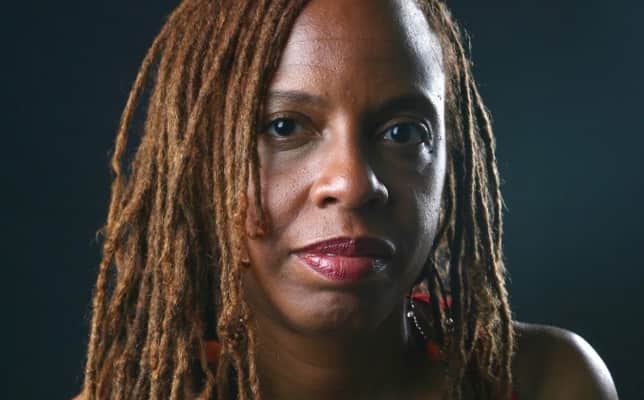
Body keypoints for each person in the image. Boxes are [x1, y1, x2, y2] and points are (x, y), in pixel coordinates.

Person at [76, 0, 619, 399]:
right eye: (285, 126)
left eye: (403, 133)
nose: (354, 183)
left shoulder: (545, 383)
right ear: (199, 162)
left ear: (452, 164)